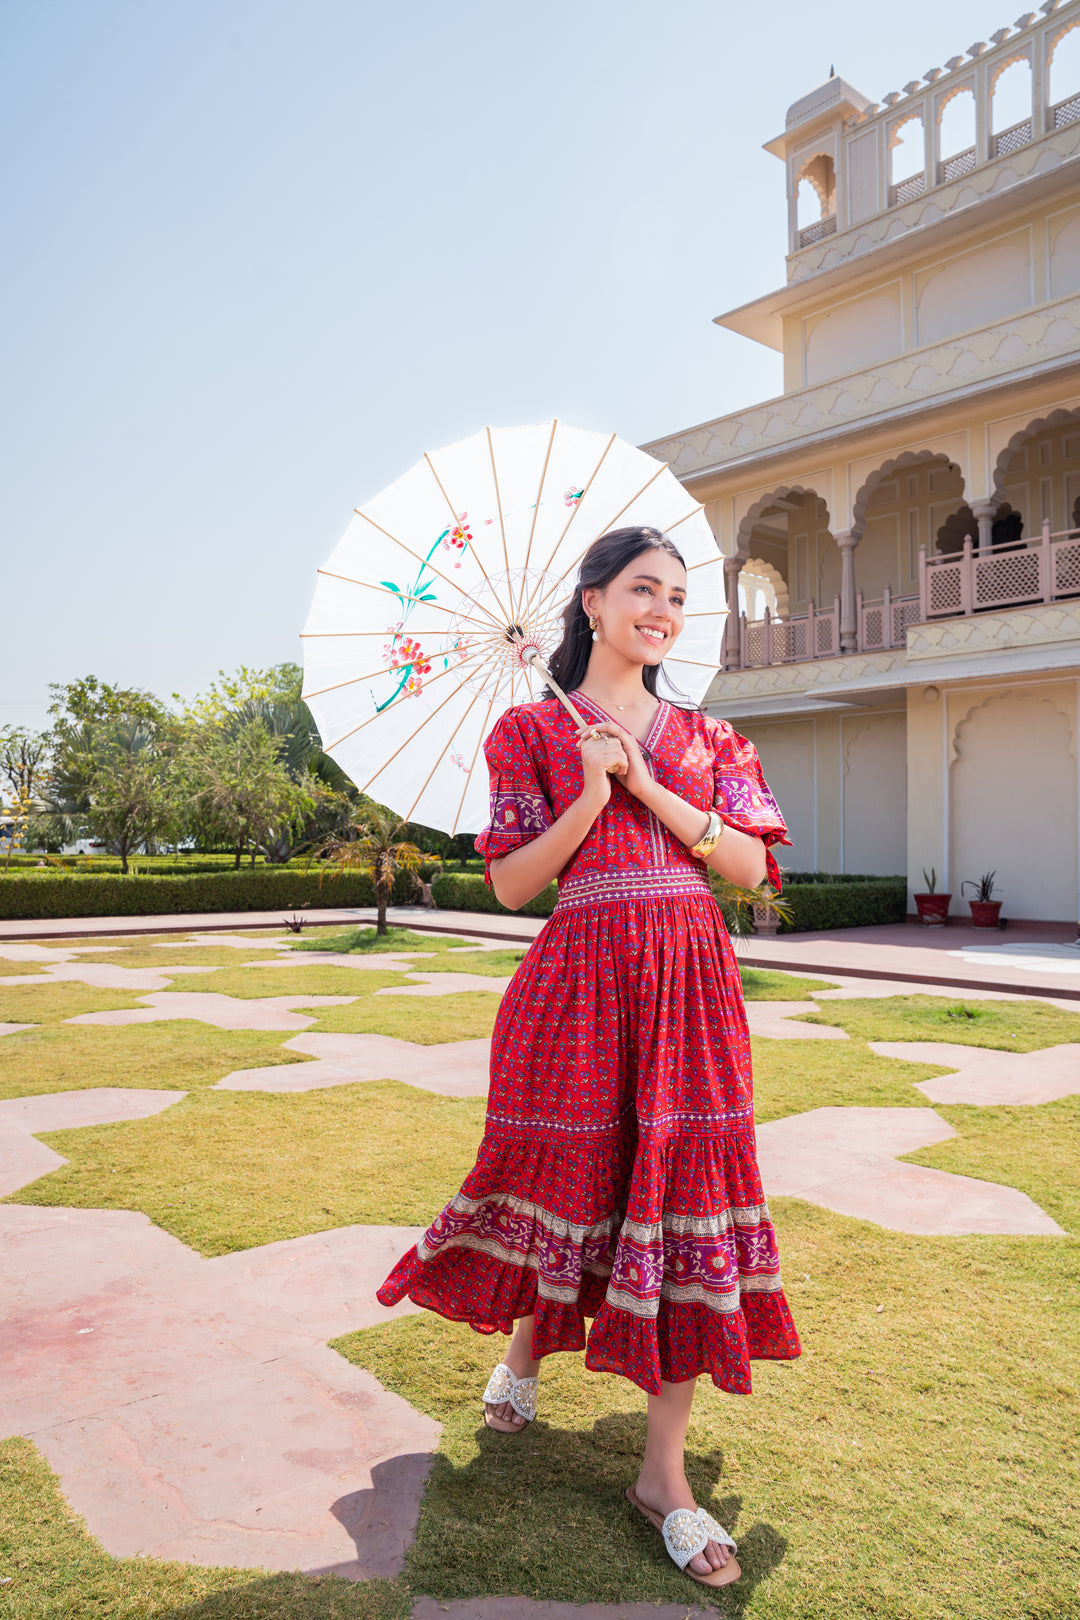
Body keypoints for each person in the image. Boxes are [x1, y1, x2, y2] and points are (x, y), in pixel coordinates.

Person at [378, 524, 801, 1588]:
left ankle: (663, 1476)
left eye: (676, 596)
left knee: (682, 1192)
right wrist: (585, 797)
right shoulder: (529, 728)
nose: (662, 610)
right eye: (642, 590)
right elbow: (517, 886)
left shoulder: (711, 737)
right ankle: (524, 1347)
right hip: (574, 989)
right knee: (573, 1181)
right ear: (593, 601)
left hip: (690, 986)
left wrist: (648, 787)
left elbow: (753, 871)